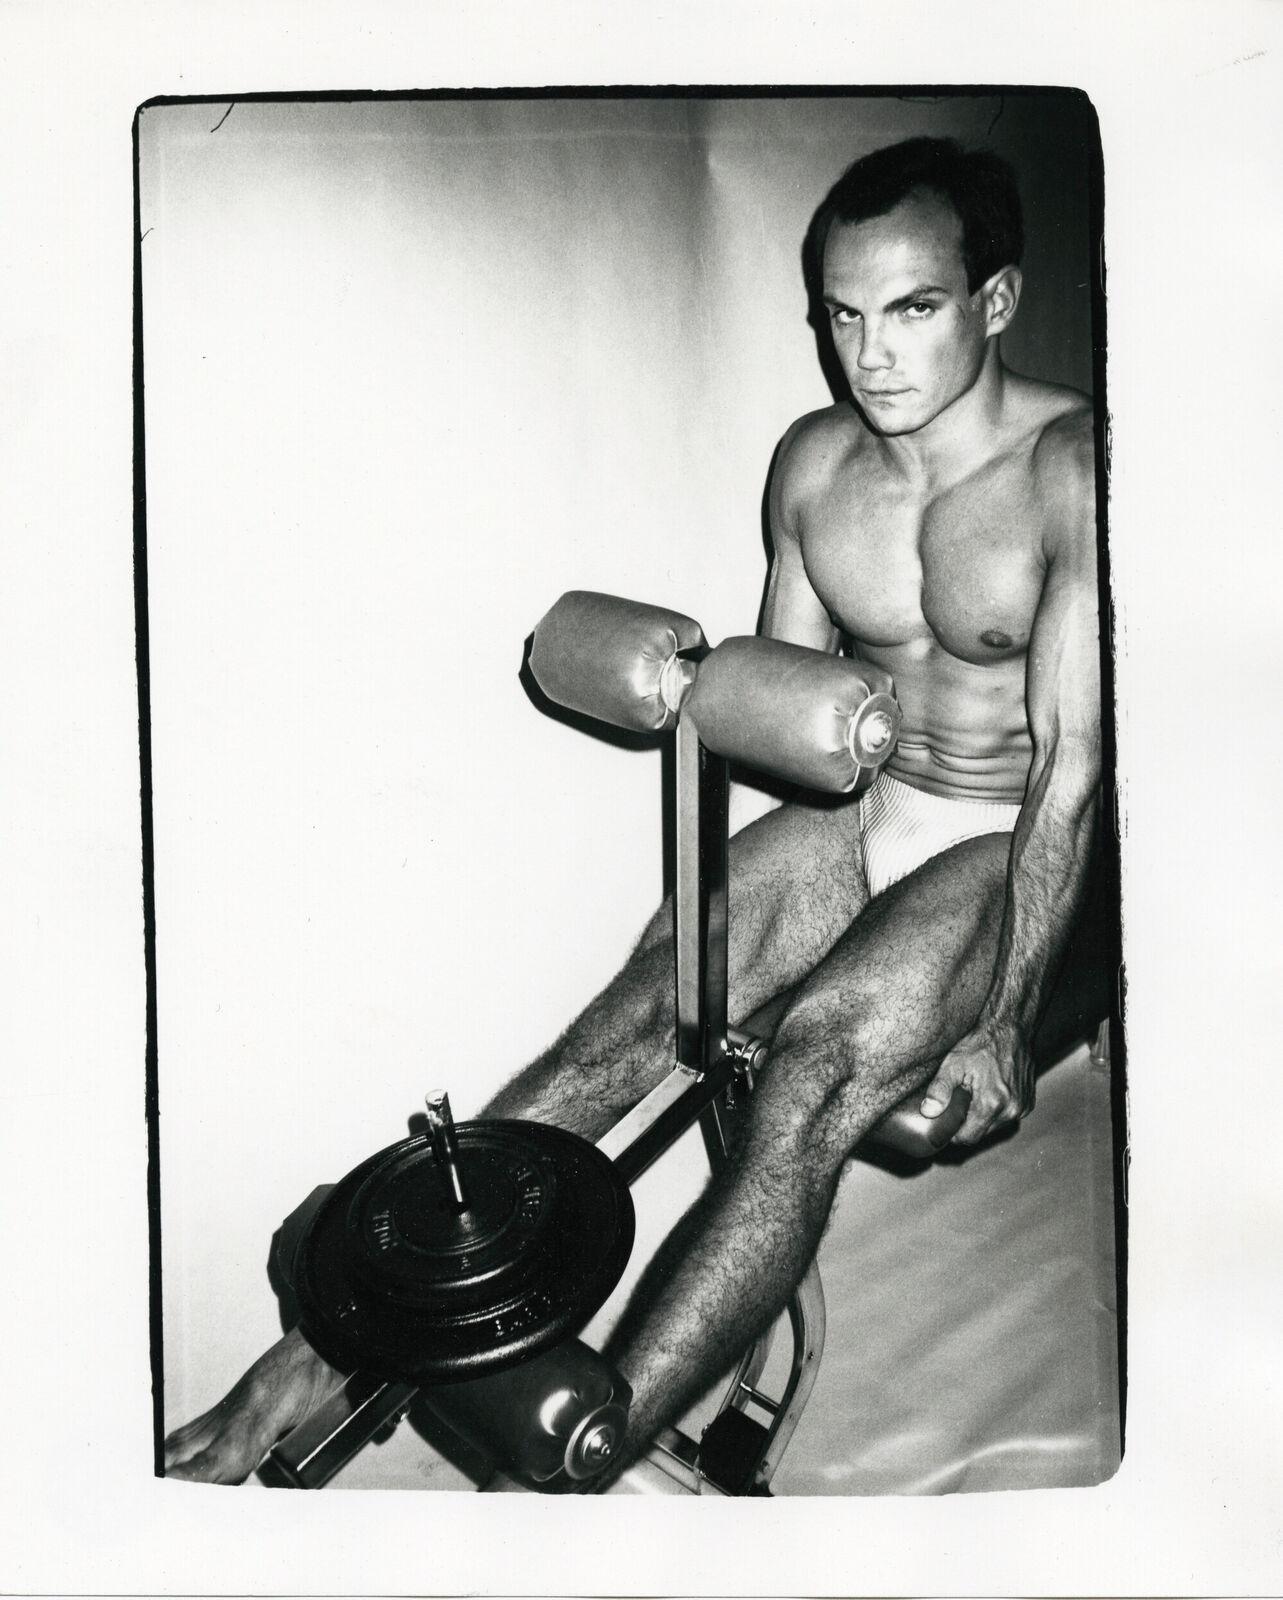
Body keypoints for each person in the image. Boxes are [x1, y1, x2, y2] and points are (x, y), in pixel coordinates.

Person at [164, 136, 1101, 1488]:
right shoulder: (814, 468)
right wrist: (704, 730)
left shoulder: (1072, 468)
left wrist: (1005, 1017)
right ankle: (322, 1348)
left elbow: (1070, 768)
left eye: (913, 309)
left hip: (1005, 829)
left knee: (815, 1071)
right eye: (842, 316)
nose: (870, 354)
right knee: (640, 1010)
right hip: (869, 803)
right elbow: (798, 731)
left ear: (995, 302)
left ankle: (578, 1454)